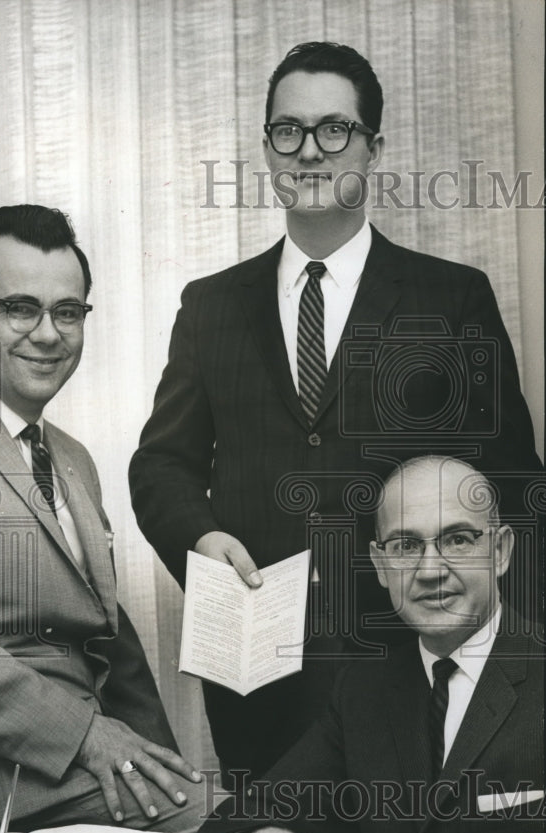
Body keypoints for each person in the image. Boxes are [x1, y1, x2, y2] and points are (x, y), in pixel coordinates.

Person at [129, 41, 543, 786]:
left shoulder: (448, 299)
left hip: (408, 663)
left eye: (333, 130)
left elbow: (511, 482)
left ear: (372, 147)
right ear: (265, 149)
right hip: (257, 672)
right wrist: (201, 534)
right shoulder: (210, 306)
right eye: (287, 131)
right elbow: (161, 463)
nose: (309, 152)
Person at [0, 204, 205, 833]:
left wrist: (164, 768)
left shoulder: (71, 457)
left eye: (68, 311)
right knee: (241, 824)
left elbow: (109, 642)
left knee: (232, 812)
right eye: (21, 308)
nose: (49, 334)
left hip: (69, 766)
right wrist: (89, 737)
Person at [195, 456, 544, 833]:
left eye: (457, 540)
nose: (430, 569)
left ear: (500, 551)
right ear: (380, 566)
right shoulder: (363, 690)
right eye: (404, 546)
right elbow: (241, 815)